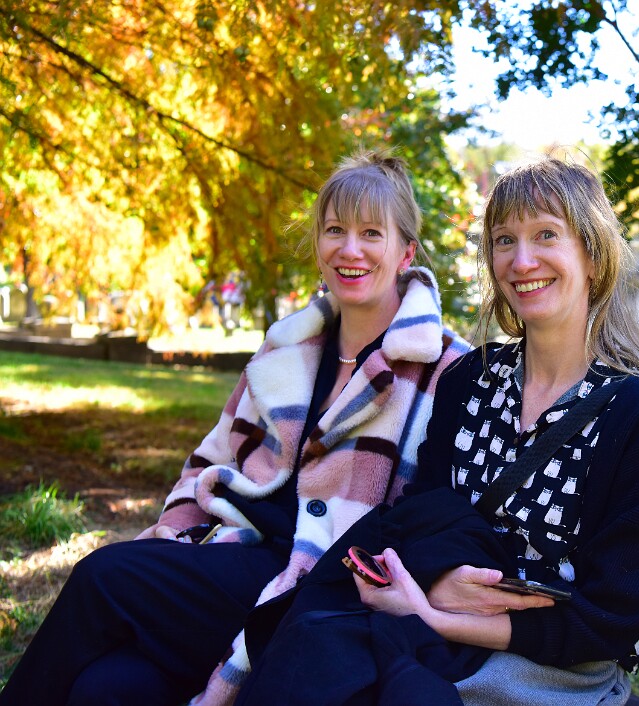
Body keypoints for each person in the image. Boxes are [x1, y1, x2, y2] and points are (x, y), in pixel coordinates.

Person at [226, 156, 639, 706]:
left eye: (546, 235)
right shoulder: (470, 381)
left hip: (546, 668)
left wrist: (437, 614)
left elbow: (612, 617)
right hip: (425, 632)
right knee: (307, 649)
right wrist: (430, 593)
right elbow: (422, 518)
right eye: (505, 240)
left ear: (593, 255)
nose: (522, 260)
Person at [0, 151, 470, 706]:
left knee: (104, 576)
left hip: (324, 588)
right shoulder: (285, 348)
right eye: (335, 230)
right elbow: (210, 456)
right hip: (231, 552)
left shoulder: (445, 367)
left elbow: (441, 516)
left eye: (371, 233)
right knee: (104, 689)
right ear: (317, 246)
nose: (350, 249)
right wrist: (175, 532)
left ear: (404, 251)